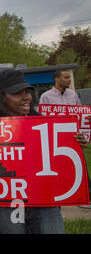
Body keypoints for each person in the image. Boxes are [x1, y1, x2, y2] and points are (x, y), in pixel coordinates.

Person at [0, 69, 88, 234]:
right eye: (17, 93)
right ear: (1, 97)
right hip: (5, 204)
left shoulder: (46, 125)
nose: (27, 97)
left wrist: (74, 141)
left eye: (27, 92)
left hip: (45, 201)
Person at [39, 69, 91, 209]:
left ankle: (87, 197)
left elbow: (80, 113)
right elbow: (42, 119)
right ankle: (57, 197)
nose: (69, 80)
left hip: (73, 137)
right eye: (66, 77)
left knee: (80, 165)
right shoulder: (46, 97)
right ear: (57, 79)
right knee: (57, 167)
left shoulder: (73, 94)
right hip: (56, 138)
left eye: (69, 77)